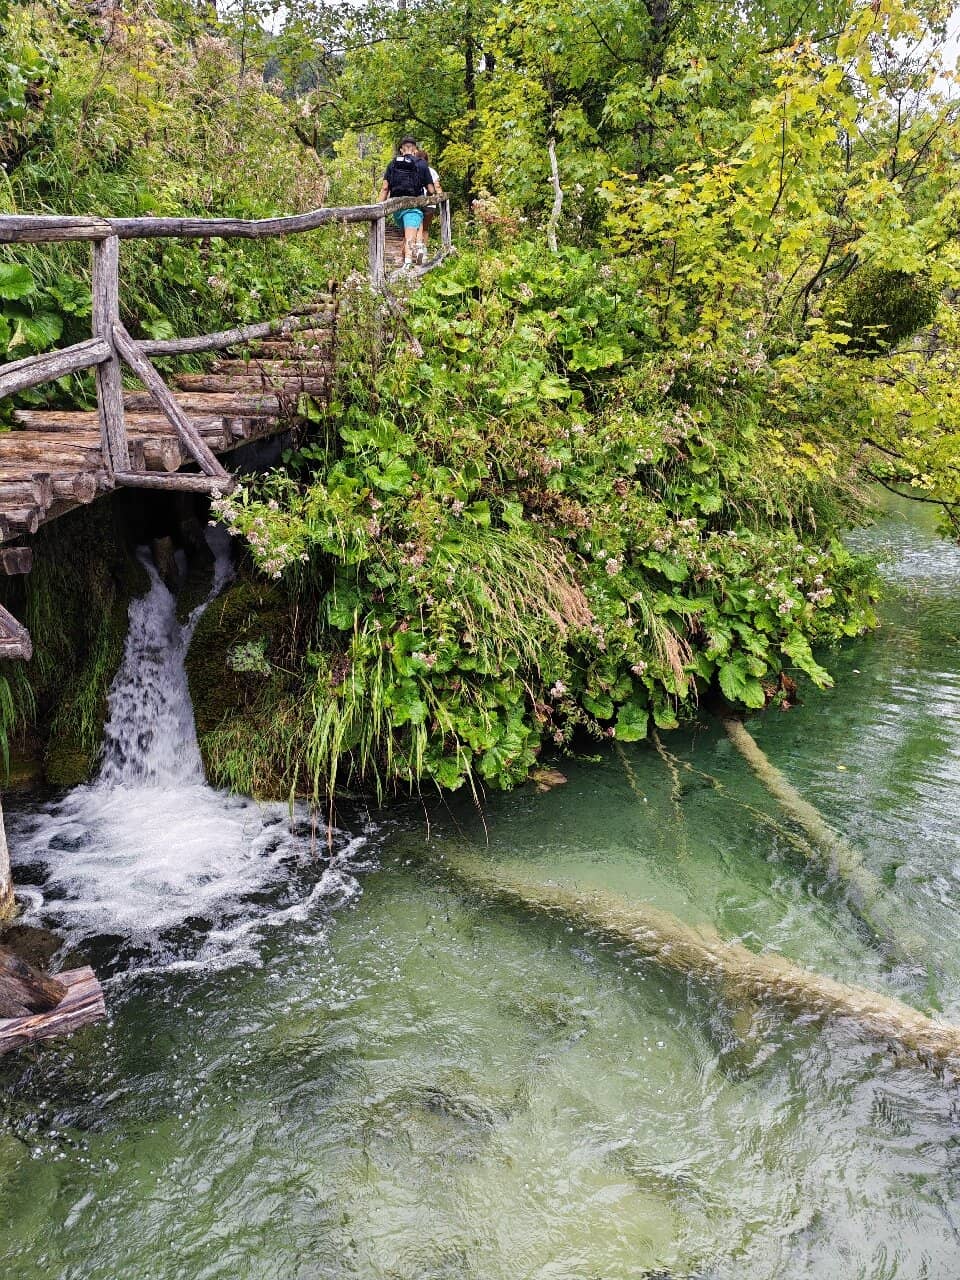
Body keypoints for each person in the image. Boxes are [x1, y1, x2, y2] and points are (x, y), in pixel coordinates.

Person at [379, 136, 436, 268]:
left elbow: (385, 188)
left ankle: (417, 249)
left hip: (396, 207)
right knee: (411, 234)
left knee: (412, 228)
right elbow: (431, 189)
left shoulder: (392, 163)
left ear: (401, 150)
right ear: (415, 149)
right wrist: (428, 197)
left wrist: (378, 208)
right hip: (413, 205)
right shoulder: (422, 164)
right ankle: (408, 264)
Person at [416, 149, 442, 260]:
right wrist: (440, 198)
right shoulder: (432, 171)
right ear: (427, 160)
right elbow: (437, 186)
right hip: (430, 204)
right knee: (425, 229)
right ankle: (424, 252)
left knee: (418, 227)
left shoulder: (413, 168)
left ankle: (417, 251)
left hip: (416, 202)